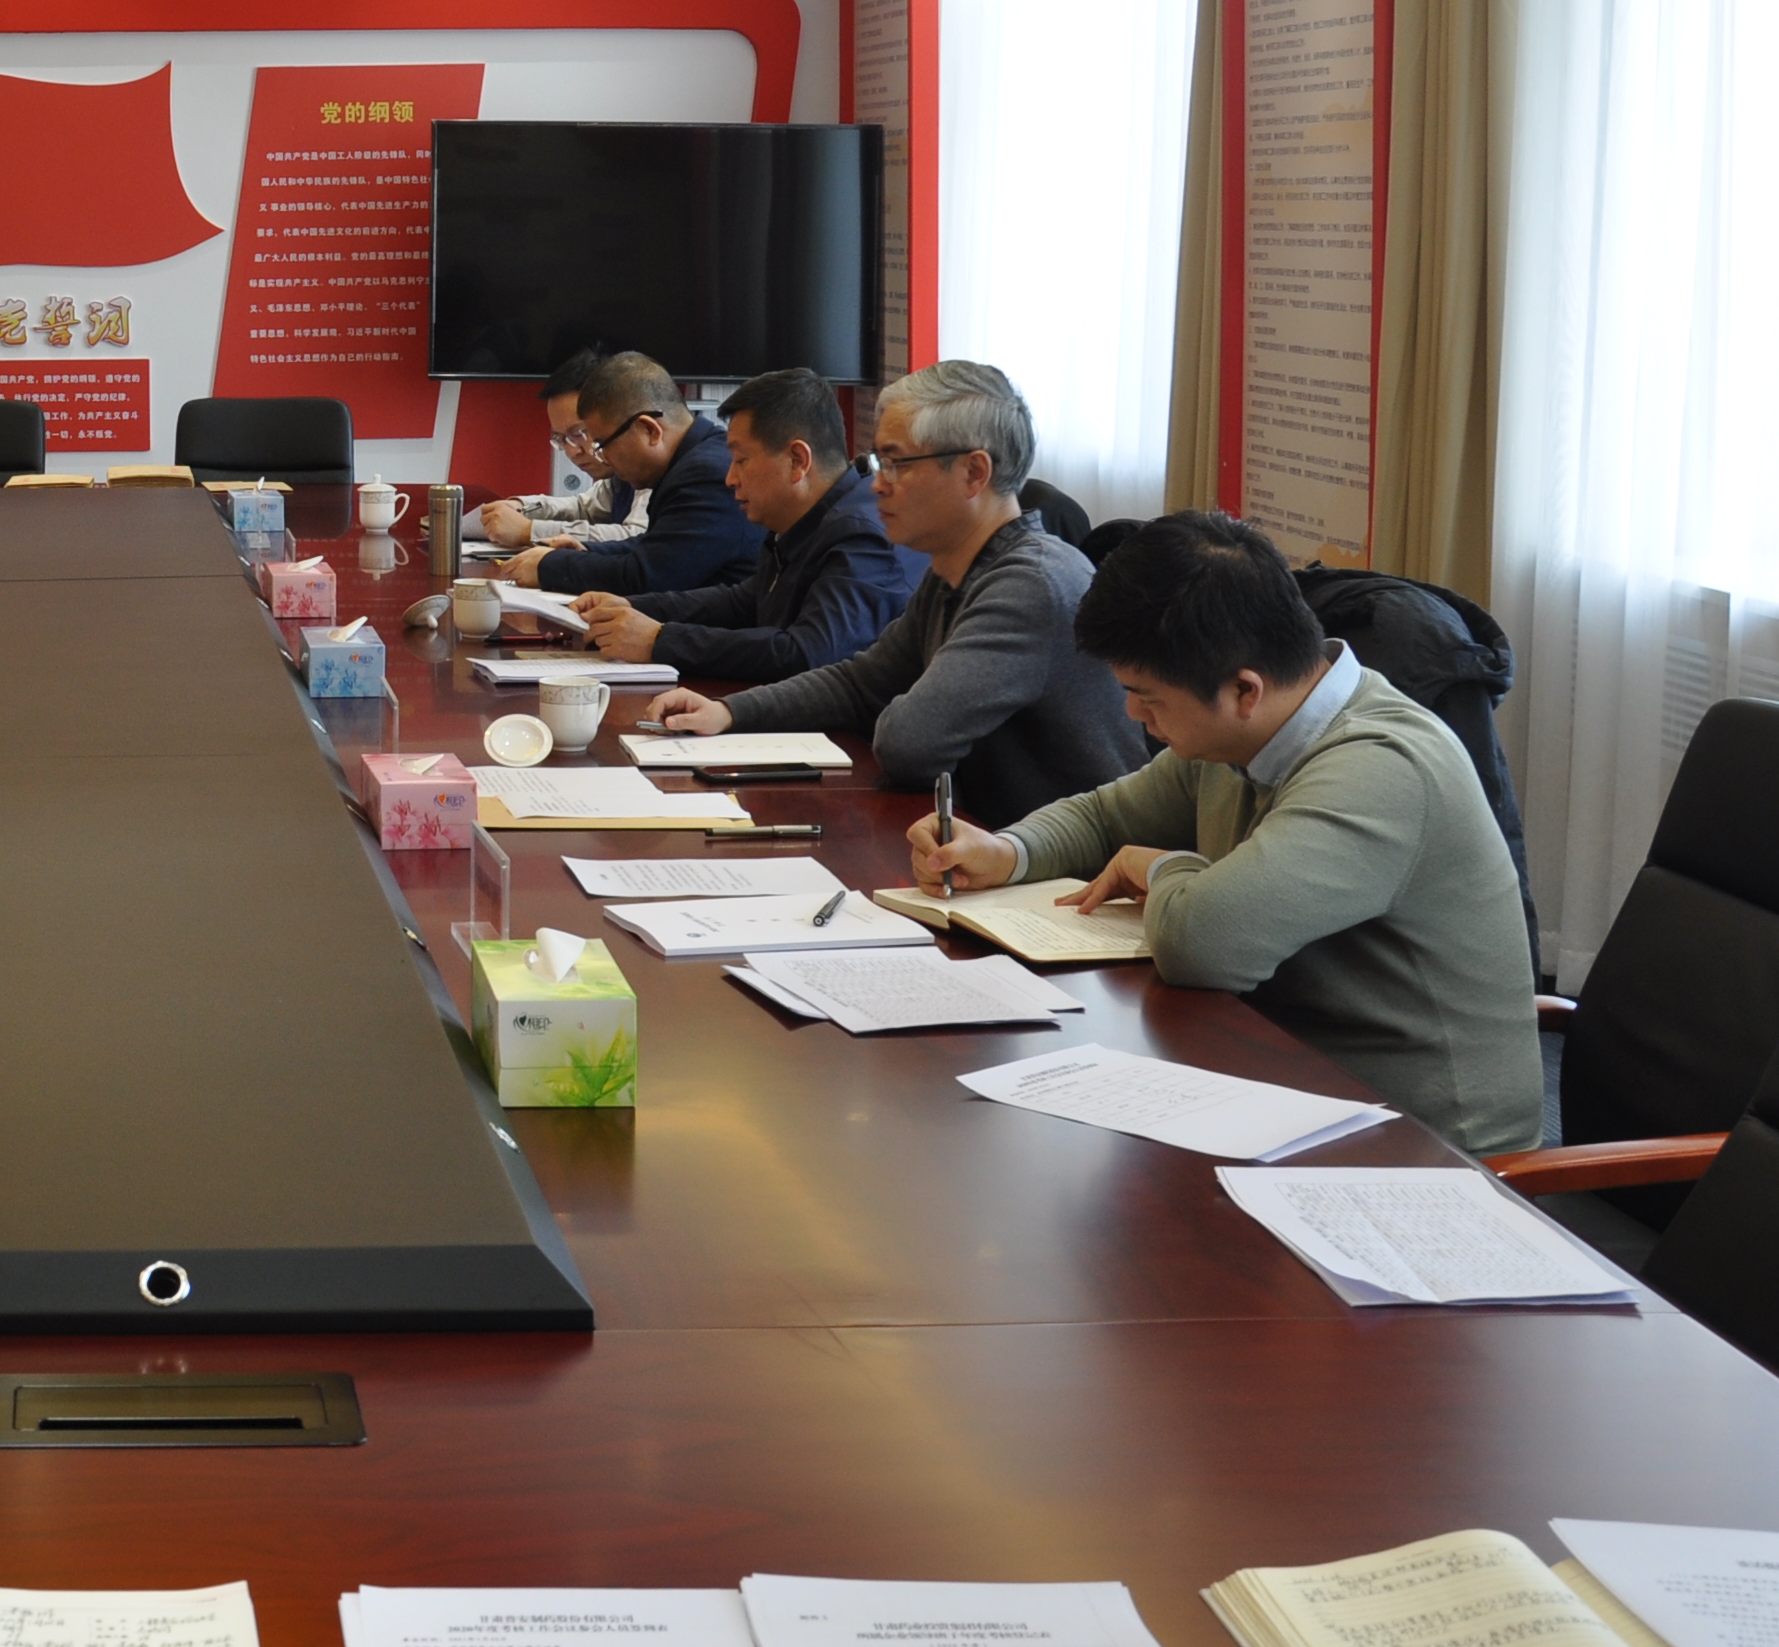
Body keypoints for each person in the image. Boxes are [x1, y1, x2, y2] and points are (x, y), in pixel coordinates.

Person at [908, 512, 1538, 1157]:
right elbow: (1107, 816)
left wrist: (1166, 868)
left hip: (1427, 1147)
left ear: (1244, 689)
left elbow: (1205, 943)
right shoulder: (1247, 732)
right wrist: (1007, 850)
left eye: (1148, 696)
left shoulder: (1381, 767)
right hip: (1293, 1079)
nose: (1132, 712)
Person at [649, 359, 1143, 820]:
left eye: (897, 463)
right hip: (997, 843)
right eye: (879, 462)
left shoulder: (1028, 585)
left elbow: (910, 744)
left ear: (974, 473)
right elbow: (860, 683)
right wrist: (730, 711)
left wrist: (897, 704)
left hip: (1072, 866)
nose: (878, 485)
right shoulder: (956, 570)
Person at [571, 366, 921, 687]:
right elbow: (744, 601)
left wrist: (660, 641)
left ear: (797, 460)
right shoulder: (805, 520)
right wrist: (631, 607)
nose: (730, 478)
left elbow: (809, 654)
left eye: (741, 460)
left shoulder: (862, 536)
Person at [491, 352, 763, 597]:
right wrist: (587, 550)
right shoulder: (688, 461)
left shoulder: (706, 475)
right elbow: (656, 546)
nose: (603, 457)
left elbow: (648, 577)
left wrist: (550, 567)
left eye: (602, 443)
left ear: (650, 430)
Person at [476, 352, 637, 551]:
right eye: (561, 439)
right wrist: (521, 507)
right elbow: (584, 508)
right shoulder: (618, 474)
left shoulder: (655, 470)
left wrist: (528, 531)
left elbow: (638, 537)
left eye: (578, 433)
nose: (572, 451)